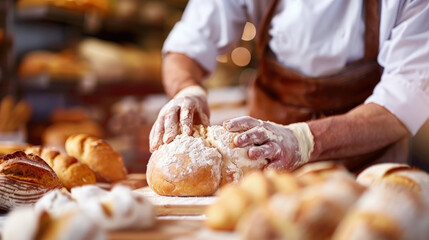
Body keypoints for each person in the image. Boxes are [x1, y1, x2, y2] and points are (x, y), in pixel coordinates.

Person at [149, 0, 429, 171]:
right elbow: (188, 44)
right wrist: (188, 89)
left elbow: (405, 100)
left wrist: (304, 140)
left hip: (368, 171)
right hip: (262, 165)